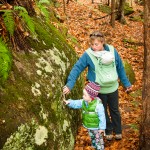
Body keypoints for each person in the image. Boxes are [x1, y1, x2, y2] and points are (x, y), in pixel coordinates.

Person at [63, 30, 132, 140]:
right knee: (102, 110)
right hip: (98, 90)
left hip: (113, 88)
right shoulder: (88, 55)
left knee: (114, 110)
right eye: (92, 44)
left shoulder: (113, 51)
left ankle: (118, 130)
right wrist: (69, 85)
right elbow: (77, 68)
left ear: (103, 42)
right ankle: (108, 130)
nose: (94, 47)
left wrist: (126, 83)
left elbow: (120, 68)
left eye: (96, 44)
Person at [63, 81, 106, 150]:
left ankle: (100, 148)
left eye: (85, 95)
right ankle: (94, 147)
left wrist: (102, 128)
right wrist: (69, 102)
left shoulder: (98, 105)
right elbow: (77, 103)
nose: (83, 96)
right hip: (89, 126)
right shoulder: (84, 101)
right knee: (93, 138)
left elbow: (102, 117)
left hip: (97, 128)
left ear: (91, 97)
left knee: (99, 142)